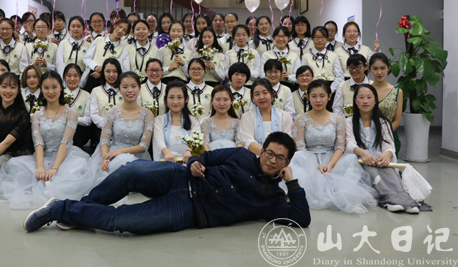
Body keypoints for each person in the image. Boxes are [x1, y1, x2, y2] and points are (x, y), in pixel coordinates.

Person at [23, 132, 311, 234]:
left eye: (279, 158)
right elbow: (205, 156)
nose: (271, 160)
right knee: (130, 172)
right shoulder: (241, 155)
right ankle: (80, 211)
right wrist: (194, 162)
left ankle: (59, 209)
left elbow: (301, 220)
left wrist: (293, 185)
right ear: (262, 150)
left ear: (286, 163)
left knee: (121, 221)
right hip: (181, 176)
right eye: (269, 153)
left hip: (190, 212)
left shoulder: (273, 199)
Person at [0, 71, 91, 209]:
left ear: (61, 88)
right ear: (41, 89)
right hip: (42, 157)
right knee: (15, 166)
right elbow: (38, 143)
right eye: (46, 88)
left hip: (66, 157)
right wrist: (40, 167)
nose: (50, 92)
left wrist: (54, 168)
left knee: (71, 175)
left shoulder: (71, 113)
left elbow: (65, 143)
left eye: (54, 87)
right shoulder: (36, 115)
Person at [287, 80, 377, 214]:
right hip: (308, 159)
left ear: (329, 97)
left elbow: (340, 147)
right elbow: (300, 148)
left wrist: (330, 165)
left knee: (351, 159)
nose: (318, 100)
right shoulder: (301, 119)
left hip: (332, 159)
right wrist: (316, 166)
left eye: (322, 96)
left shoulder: (337, 119)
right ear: (308, 97)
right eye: (314, 96)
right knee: (298, 156)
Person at [347, 84, 423, 213]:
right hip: (359, 161)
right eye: (361, 97)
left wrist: (387, 155)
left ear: (375, 100)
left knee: (387, 169)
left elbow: (389, 145)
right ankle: (389, 199)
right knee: (371, 167)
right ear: (355, 101)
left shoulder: (383, 122)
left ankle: (404, 199)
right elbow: (349, 143)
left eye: (369, 97)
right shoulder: (349, 121)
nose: (365, 101)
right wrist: (363, 153)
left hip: (378, 159)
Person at [88, 72, 153, 187]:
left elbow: (144, 146)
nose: (130, 90)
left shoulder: (147, 114)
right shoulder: (111, 113)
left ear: (139, 88)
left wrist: (119, 152)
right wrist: (105, 158)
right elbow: (104, 140)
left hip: (138, 157)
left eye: (133, 86)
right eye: (125, 87)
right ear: (119, 89)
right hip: (112, 155)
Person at [238, 79, 294, 155]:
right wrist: (267, 155)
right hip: (255, 156)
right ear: (252, 97)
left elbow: (288, 140)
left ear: (272, 94)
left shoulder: (285, 116)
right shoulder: (247, 117)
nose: (261, 97)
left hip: (279, 157)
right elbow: (248, 141)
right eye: (257, 94)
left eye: (265, 93)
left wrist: (275, 156)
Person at [153, 80, 201, 161]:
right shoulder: (159, 120)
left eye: (179, 97)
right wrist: (167, 153)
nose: (175, 102)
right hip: (166, 161)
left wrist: (189, 151)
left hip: (188, 161)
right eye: (171, 97)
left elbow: (196, 141)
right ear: (166, 99)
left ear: (186, 99)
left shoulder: (193, 121)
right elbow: (158, 139)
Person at [86, 59, 124, 153]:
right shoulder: (96, 91)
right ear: (103, 73)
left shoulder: (124, 90)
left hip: (122, 129)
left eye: (114, 71)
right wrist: (107, 126)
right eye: (108, 71)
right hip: (102, 129)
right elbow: (94, 115)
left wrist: (119, 126)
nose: (111, 75)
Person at [369, 53, 404, 156]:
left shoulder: (397, 92)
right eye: (375, 68)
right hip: (367, 137)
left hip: (389, 137)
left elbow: (397, 120)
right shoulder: (365, 90)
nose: (379, 72)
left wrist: (383, 133)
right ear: (370, 69)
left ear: (389, 68)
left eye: (382, 68)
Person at [83, 18, 129, 92]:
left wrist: (102, 72)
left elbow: (124, 68)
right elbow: (87, 58)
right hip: (93, 77)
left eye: (124, 30)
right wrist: (96, 67)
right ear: (115, 26)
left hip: (110, 81)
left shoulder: (123, 49)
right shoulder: (99, 40)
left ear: (125, 34)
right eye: (120, 27)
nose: (120, 31)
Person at [301, 26, 344, 97]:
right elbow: (303, 76)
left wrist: (330, 90)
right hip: (312, 90)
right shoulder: (305, 57)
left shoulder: (333, 56)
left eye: (323, 37)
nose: (320, 40)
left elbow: (339, 77)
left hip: (330, 90)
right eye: (317, 37)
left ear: (327, 39)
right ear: (312, 38)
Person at [62, 64, 92, 150]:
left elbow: (88, 120)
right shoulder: (58, 94)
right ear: (64, 77)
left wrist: (72, 119)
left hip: (79, 131)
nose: (72, 79)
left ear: (80, 77)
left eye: (75, 76)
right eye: (69, 76)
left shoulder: (87, 95)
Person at [201, 85, 241, 150]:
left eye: (226, 100)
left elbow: (240, 143)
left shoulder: (237, 122)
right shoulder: (206, 123)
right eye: (218, 100)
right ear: (212, 100)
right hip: (212, 155)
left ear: (231, 100)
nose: (222, 103)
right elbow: (204, 144)